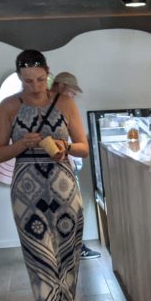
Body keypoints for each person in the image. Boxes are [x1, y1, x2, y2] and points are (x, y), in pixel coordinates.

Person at [0, 50, 90, 301]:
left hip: (65, 193)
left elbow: (84, 148)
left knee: (67, 261)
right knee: (40, 261)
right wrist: (23, 144)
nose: (35, 86)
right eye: (27, 81)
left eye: (39, 79)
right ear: (19, 78)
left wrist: (65, 147)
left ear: (48, 73)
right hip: (27, 195)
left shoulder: (64, 103)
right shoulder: (8, 108)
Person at [52, 71, 101, 260]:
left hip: (66, 167)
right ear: (61, 87)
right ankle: (74, 248)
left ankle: (73, 247)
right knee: (70, 210)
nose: (73, 97)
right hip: (64, 170)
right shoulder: (60, 108)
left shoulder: (61, 107)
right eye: (72, 92)